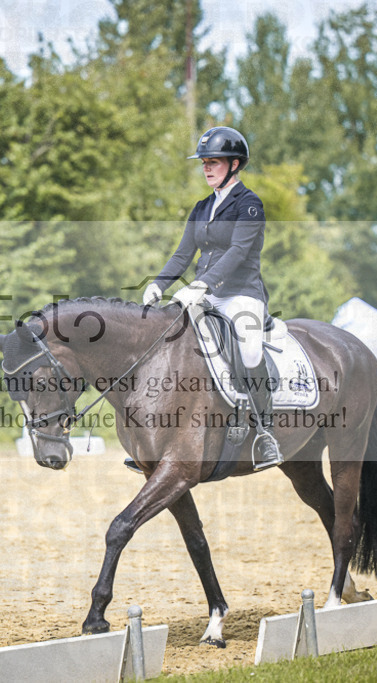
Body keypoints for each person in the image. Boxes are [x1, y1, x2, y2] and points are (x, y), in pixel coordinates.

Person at [143, 126, 283, 470]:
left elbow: (238, 251)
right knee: (170, 341)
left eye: (214, 162)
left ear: (235, 165)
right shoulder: (202, 207)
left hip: (241, 295)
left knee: (249, 347)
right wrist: (158, 284)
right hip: (204, 294)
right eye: (204, 162)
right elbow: (182, 254)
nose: (207, 168)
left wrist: (203, 283)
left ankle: (265, 431)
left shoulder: (249, 204)